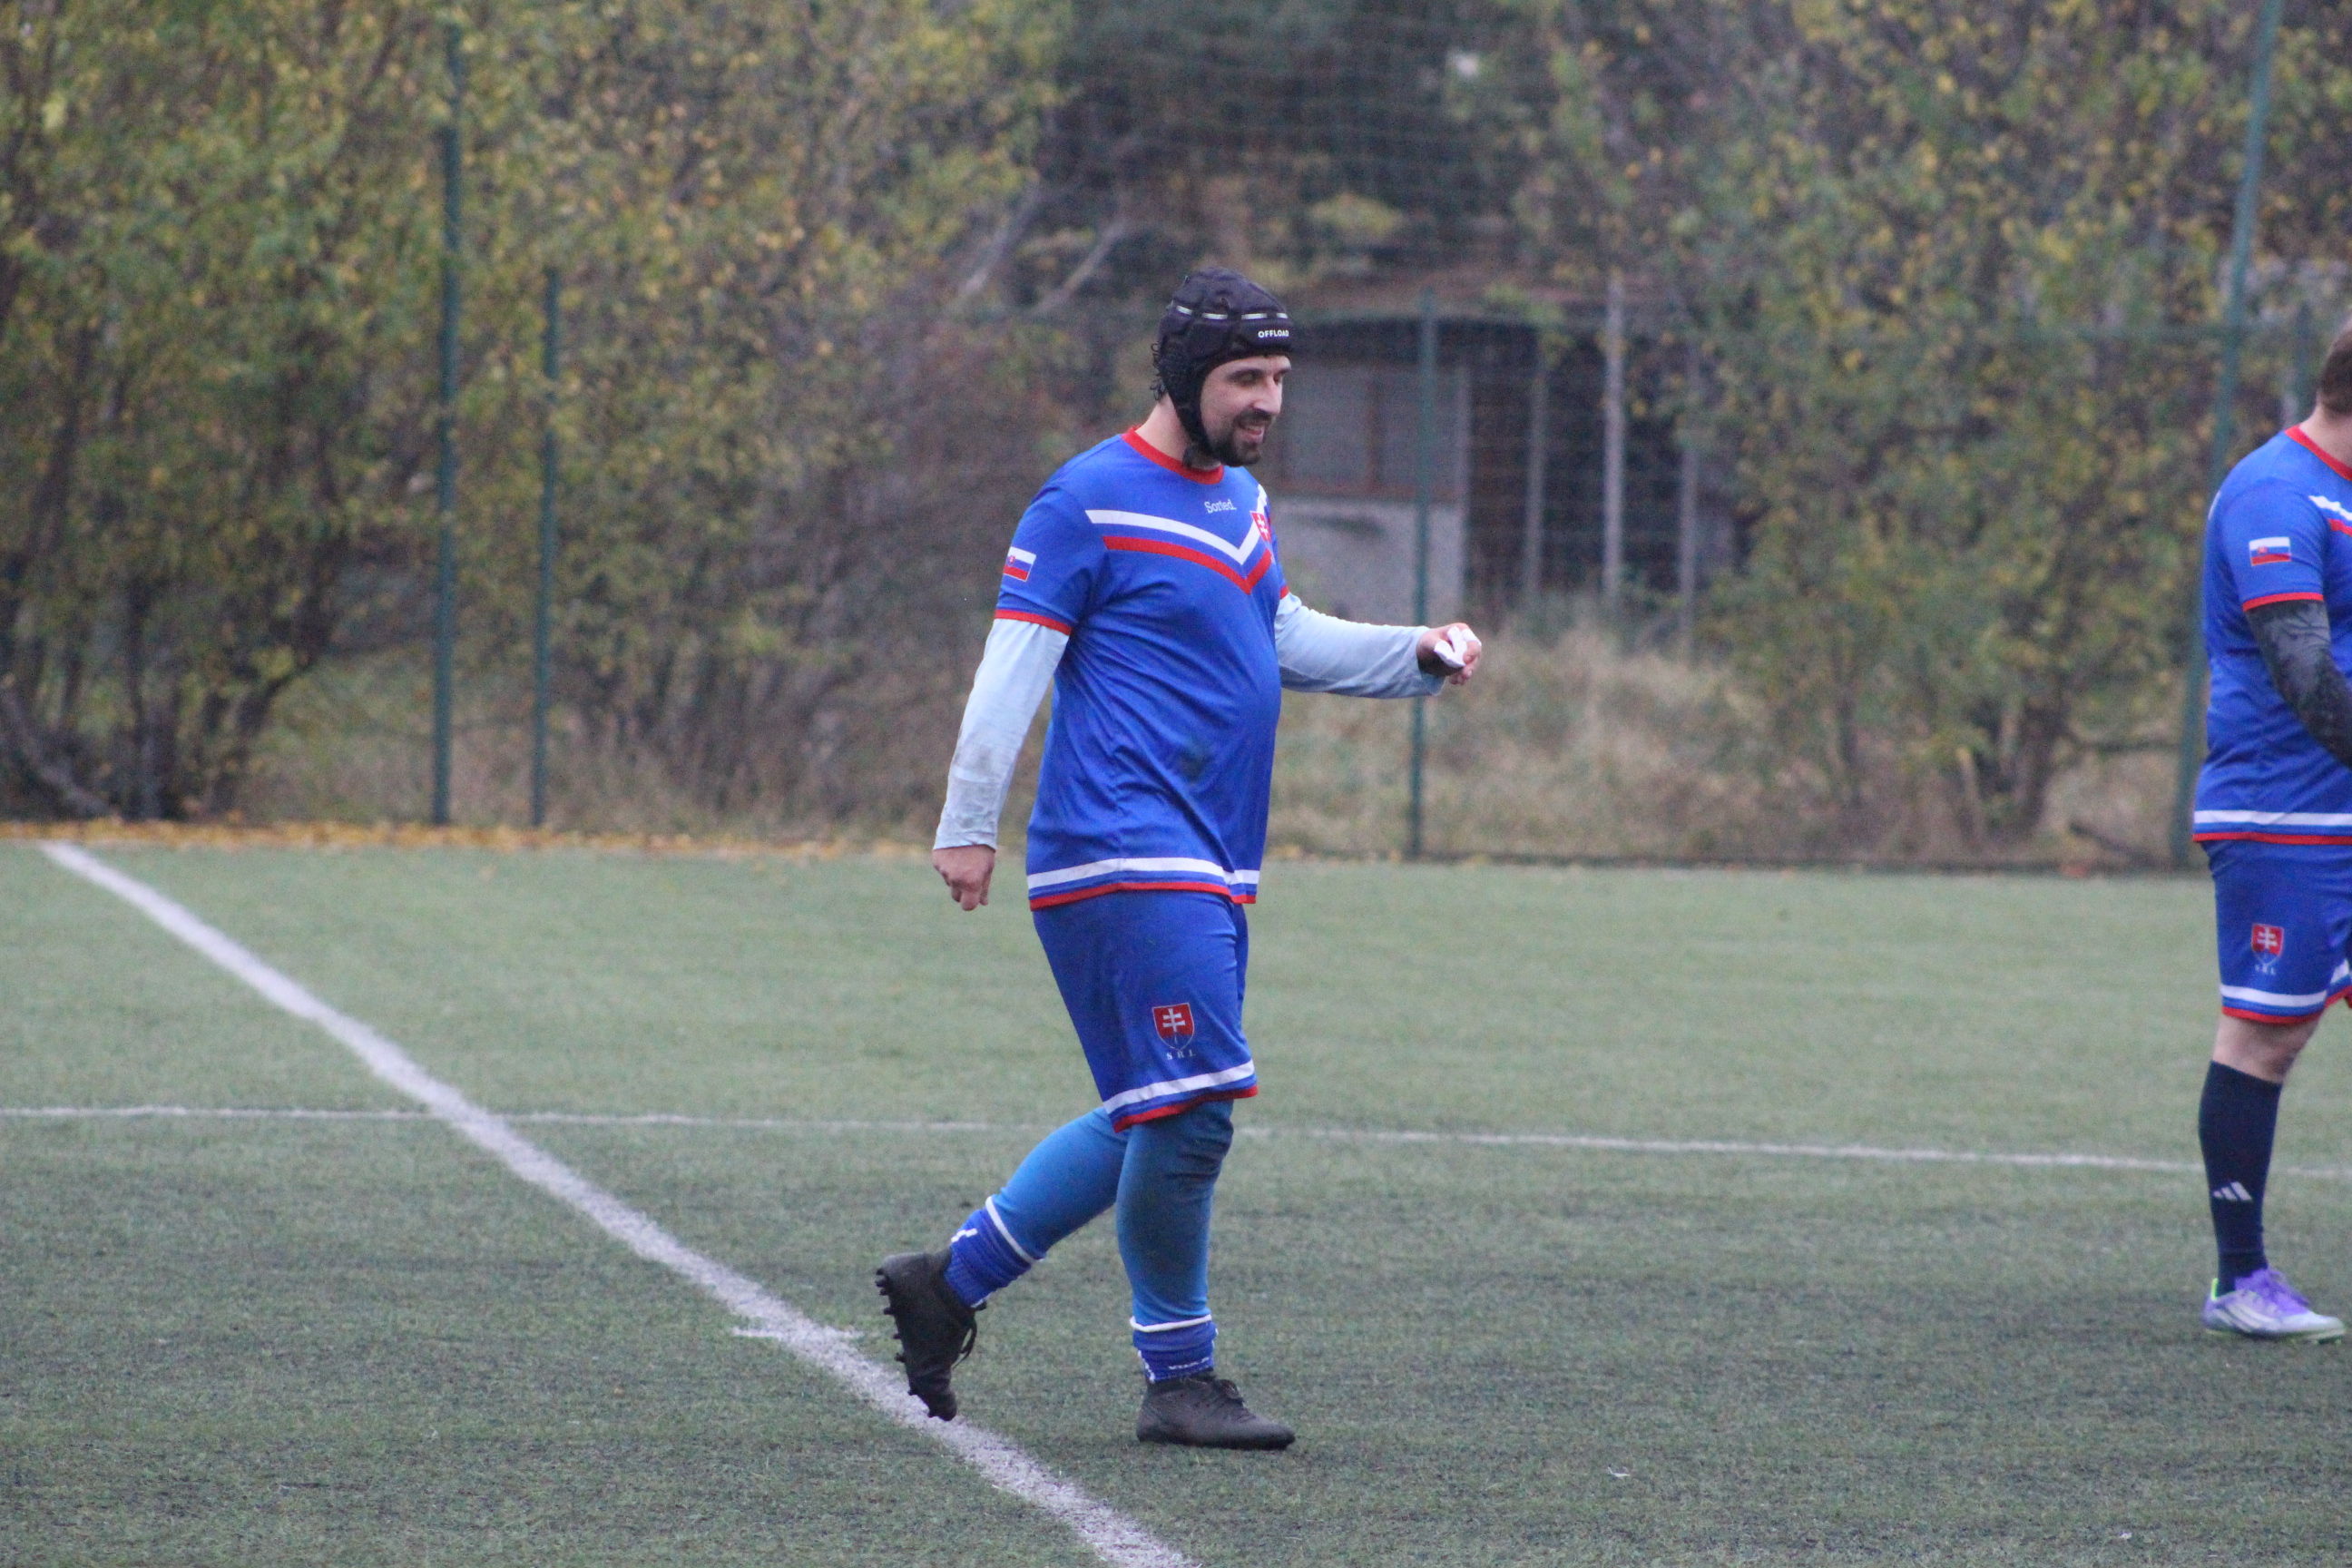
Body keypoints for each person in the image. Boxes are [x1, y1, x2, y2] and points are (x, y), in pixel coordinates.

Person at [874, 269, 1481, 1447]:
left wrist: (1412, 653)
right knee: (1194, 1114)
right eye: (1246, 378)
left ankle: (949, 1286)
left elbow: (1279, 632)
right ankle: (1180, 1378)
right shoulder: (1085, 500)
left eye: (1279, 379)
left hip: (1202, 856)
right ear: (1186, 377)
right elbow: (1012, 665)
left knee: (1156, 1110)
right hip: (1123, 849)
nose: (1268, 402)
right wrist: (967, 820)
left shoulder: (1240, 502)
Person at [2190, 312, 2352, 1343]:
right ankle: (2239, 1279)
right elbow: (2305, 677)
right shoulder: (2276, 496)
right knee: (2268, 1035)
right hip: (2284, 814)